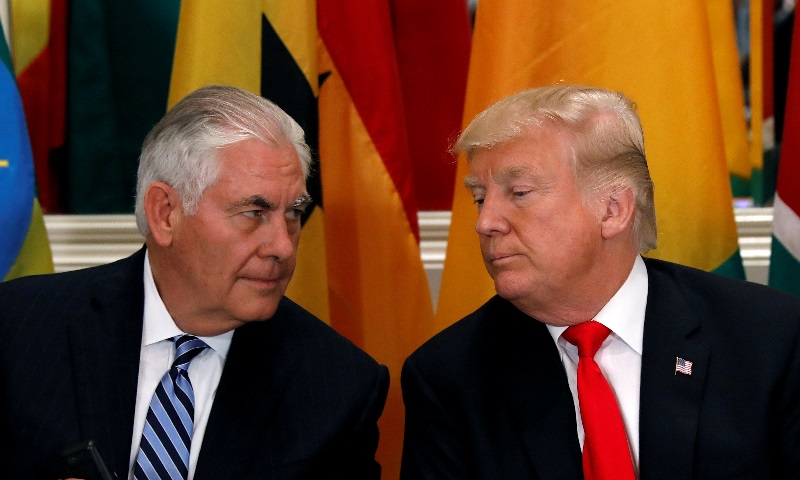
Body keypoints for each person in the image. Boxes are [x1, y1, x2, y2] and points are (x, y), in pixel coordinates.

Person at [400, 85, 800, 479]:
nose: (485, 222)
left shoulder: (770, 339)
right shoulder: (449, 377)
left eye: (519, 192)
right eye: (480, 198)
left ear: (612, 210)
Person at [0, 85, 389, 479]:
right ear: (165, 213)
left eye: (293, 213)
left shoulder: (338, 388)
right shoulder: (19, 328)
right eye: (254, 212)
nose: (283, 247)